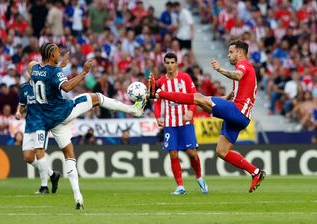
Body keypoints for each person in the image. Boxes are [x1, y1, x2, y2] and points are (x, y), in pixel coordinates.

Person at [29, 42, 146, 209]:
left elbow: (47, 78)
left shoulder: (35, 71)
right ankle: (134, 110)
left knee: (69, 154)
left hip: (51, 122)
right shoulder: (54, 72)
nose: (59, 54)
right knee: (97, 97)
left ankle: (78, 197)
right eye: (57, 52)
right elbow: (67, 87)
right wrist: (84, 72)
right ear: (51, 55)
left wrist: (60, 66)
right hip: (63, 112)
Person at [148, 40, 265, 193]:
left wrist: (219, 70)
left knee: (197, 97)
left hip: (238, 111)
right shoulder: (244, 73)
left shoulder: (244, 66)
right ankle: (256, 173)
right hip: (239, 116)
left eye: (231, 52)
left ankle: (157, 93)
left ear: (240, 53)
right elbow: (228, 98)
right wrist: (205, 101)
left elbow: (237, 75)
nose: (228, 55)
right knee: (221, 151)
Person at [153, 52, 208, 195]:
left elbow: (195, 97)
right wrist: (158, 116)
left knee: (192, 153)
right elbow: (157, 102)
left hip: (186, 122)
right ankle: (180, 186)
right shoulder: (160, 82)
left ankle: (200, 178)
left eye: (172, 62)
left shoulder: (185, 78)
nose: (170, 65)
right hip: (170, 124)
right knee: (173, 153)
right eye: (167, 63)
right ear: (164, 64)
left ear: (177, 63)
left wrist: (190, 111)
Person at [15, 78, 61, 195]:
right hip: (29, 125)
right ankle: (52, 174)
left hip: (42, 125)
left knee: (39, 153)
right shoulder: (25, 87)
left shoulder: (45, 85)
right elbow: (22, 104)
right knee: (28, 157)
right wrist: (18, 112)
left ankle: (44, 187)